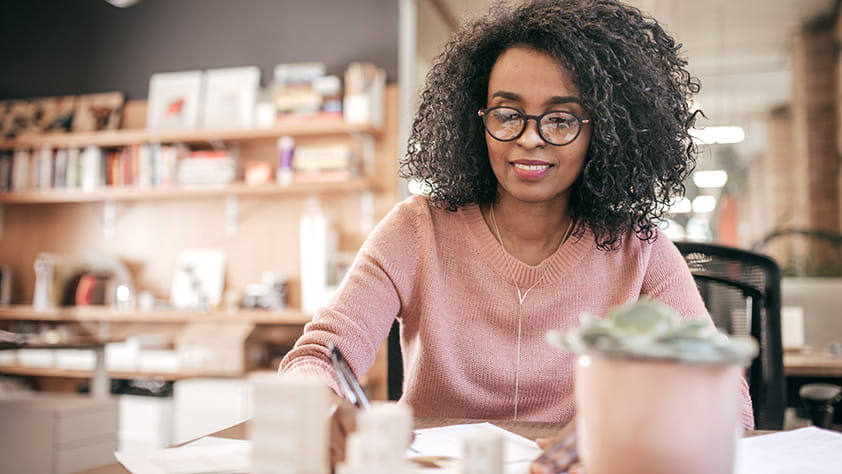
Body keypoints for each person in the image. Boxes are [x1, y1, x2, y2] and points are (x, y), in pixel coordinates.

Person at [280, 0, 754, 469]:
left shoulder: (640, 249)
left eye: (561, 118)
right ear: (477, 119)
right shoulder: (416, 228)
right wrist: (320, 404)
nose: (530, 138)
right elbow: (320, 354)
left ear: (603, 131)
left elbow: (727, 401)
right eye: (508, 114)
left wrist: (627, 428)